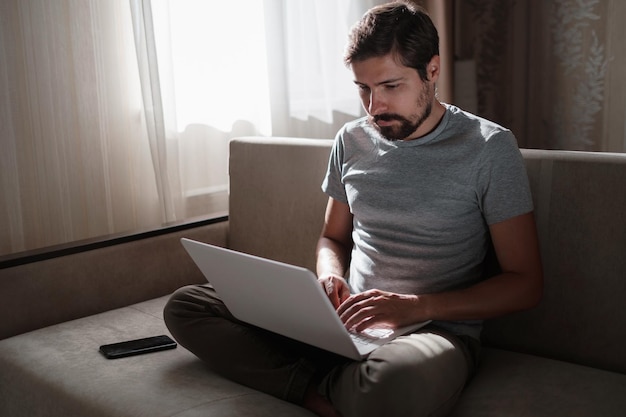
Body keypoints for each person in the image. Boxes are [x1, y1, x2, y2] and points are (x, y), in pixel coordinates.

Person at [164, 2, 543, 416]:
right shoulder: (352, 140)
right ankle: (323, 392)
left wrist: (419, 307)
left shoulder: (489, 149)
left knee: (394, 382)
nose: (374, 106)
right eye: (363, 88)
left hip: (432, 331)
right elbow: (333, 237)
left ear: (432, 70)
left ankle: (318, 381)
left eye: (391, 86)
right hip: (344, 323)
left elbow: (525, 283)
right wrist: (329, 276)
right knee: (187, 305)